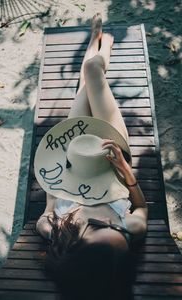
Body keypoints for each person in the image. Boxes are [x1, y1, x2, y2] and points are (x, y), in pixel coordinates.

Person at [35, 13, 148, 300]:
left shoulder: (54, 229)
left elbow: (52, 187)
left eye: (98, 227)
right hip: (112, 156)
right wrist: (126, 172)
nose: (111, 223)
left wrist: (54, 186)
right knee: (93, 72)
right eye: (115, 228)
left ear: (76, 249)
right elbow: (141, 209)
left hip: (71, 154)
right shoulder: (130, 227)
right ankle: (102, 47)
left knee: (83, 88)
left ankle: (95, 43)